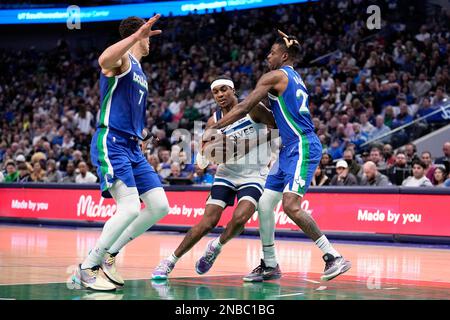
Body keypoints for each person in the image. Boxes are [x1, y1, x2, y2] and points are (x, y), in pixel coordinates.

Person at [202, 31, 351, 282]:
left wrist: (212, 129)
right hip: (288, 149)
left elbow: (242, 107)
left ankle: (332, 256)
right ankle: (270, 264)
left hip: (302, 144)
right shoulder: (295, 77)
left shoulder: (274, 76)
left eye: (271, 52)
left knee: (291, 206)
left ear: (283, 56)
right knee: (264, 204)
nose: (267, 56)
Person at [72, 15, 170, 291]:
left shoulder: (139, 69)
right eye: (148, 36)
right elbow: (103, 60)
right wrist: (136, 36)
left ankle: (110, 254)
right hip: (111, 142)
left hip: (131, 146)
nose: (150, 41)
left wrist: (141, 137)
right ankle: (87, 267)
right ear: (141, 35)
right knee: (127, 208)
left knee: (160, 206)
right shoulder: (123, 60)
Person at [152, 76, 275, 280]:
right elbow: (204, 152)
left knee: (240, 219)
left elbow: (276, 129)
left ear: (233, 90)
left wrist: (247, 145)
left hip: (255, 173)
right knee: (207, 222)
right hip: (227, 173)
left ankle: (215, 247)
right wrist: (205, 156)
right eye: (216, 92)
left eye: (224, 90)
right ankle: (169, 261)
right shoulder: (213, 120)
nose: (220, 95)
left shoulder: (253, 108)